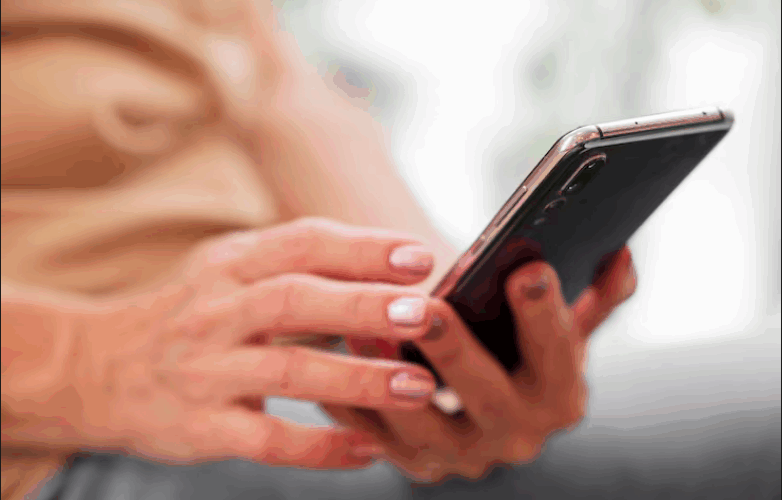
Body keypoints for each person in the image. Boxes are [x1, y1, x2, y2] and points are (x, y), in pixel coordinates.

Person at [1, 0, 636, 498]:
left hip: (257, 378)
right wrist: (86, 365)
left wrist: (431, 313)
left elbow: (271, 84)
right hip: (58, 444)